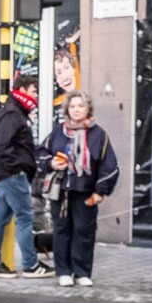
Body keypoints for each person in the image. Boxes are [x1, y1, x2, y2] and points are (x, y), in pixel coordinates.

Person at [39, 91, 120, 286]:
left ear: (88, 109)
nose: (76, 110)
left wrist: (100, 191)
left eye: (80, 106)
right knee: (61, 230)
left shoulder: (99, 134)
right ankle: (64, 271)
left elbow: (109, 166)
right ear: (67, 109)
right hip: (62, 191)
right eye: (73, 106)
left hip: (86, 190)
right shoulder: (58, 131)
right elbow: (41, 153)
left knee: (84, 231)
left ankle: (82, 272)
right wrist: (51, 163)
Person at [0, 78, 50, 276]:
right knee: (25, 218)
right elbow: (3, 147)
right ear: (22, 90)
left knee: (0, 218)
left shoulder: (14, 112)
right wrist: (17, 170)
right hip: (11, 176)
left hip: (6, 174)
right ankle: (31, 265)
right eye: (34, 90)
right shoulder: (13, 113)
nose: (36, 95)